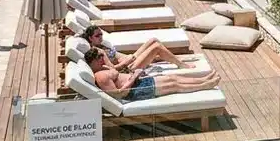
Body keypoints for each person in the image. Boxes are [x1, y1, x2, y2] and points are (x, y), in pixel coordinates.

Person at [84, 48, 221, 101]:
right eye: (100, 58)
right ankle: (206, 85)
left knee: (173, 78)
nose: (103, 58)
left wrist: (136, 74)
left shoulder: (103, 68)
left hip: (139, 81)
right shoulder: (101, 77)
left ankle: (204, 79)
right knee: (175, 85)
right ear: (93, 62)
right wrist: (133, 78)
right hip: (136, 90)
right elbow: (120, 94)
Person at [83, 25, 184, 70]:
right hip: (128, 67)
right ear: (90, 38)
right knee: (156, 47)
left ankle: (176, 59)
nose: (101, 37)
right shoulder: (97, 51)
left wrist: (131, 57)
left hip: (131, 59)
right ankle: (181, 64)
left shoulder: (103, 45)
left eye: (101, 34)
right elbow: (112, 69)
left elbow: (117, 55)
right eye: (97, 36)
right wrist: (127, 61)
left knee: (153, 40)